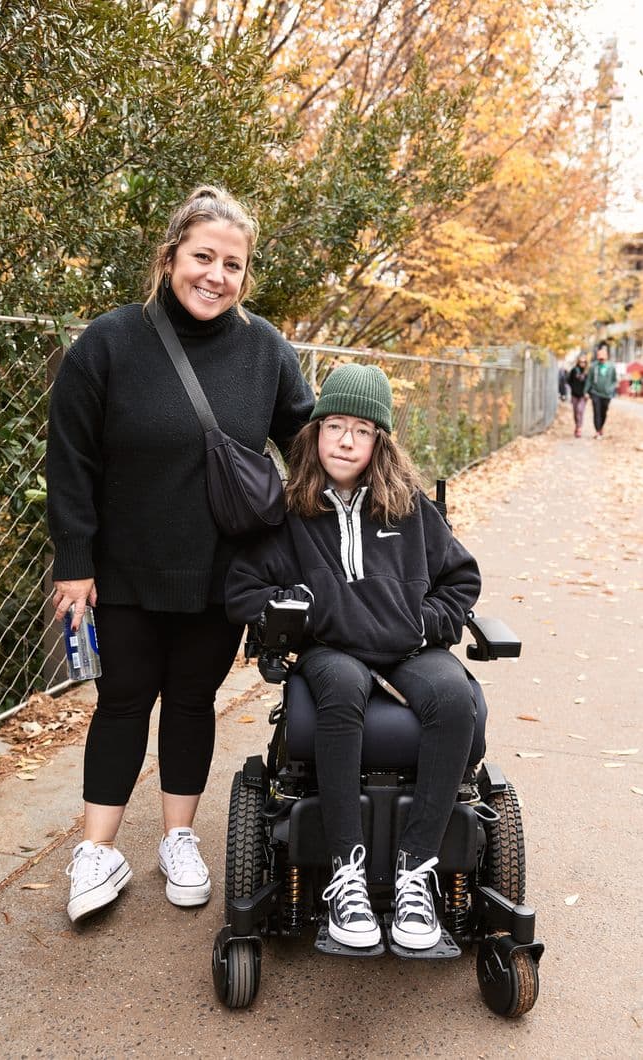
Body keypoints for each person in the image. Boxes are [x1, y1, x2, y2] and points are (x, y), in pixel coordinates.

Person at [46, 185, 314, 924]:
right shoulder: (109, 342)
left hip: (221, 573)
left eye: (233, 264)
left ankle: (178, 839)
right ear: (170, 258)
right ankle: (97, 850)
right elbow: (70, 458)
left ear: (245, 274)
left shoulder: (264, 350)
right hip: (122, 570)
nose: (216, 276)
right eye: (203, 257)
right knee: (122, 701)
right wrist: (74, 561)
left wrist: (379, 487)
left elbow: (309, 443)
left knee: (193, 702)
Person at [225, 364, 481, 951]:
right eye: (335, 425)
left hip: (409, 650)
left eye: (362, 430)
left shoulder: (409, 509)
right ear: (315, 433)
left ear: (378, 442)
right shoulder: (290, 512)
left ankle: (416, 873)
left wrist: (426, 622)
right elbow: (243, 590)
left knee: (453, 695)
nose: (346, 440)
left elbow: (461, 579)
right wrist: (297, 608)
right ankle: (348, 874)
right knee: (340, 688)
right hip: (331, 652)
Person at [585, 341, 617, 438]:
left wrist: (611, 389)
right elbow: (589, 380)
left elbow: (614, 380)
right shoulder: (593, 366)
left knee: (603, 412)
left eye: (603, 358)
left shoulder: (611, 367)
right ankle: (597, 430)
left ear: (606, 357)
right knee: (596, 412)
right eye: (600, 359)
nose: (601, 360)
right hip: (595, 393)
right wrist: (585, 391)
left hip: (607, 394)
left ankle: (601, 427)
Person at [567, 353, 589, 437]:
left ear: (586, 363)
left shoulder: (587, 372)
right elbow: (569, 380)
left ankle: (579, 428)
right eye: (581, 362)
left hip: (583, 395)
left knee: (580, 410)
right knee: (575, 412)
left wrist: (588, 392)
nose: (582, 363)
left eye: (584, 362)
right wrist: (573, 387)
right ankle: (577, 426)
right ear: (578, 362)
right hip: (574, 395)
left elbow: (590, 383)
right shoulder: (574, 370)